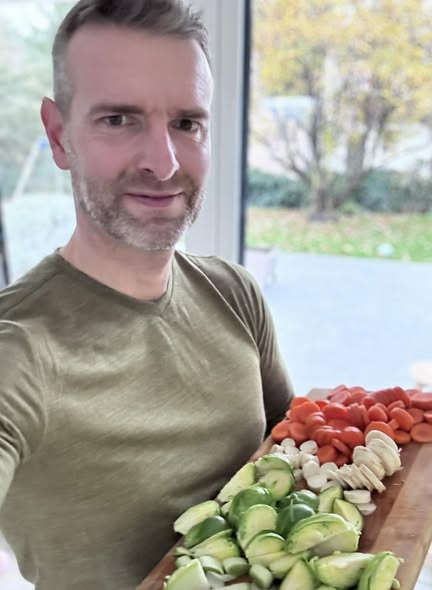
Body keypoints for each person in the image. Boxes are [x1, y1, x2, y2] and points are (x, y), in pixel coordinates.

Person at [0, 1, 294, 588]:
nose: (164, 163)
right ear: (59, 136)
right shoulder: (19, 350)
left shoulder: (235, 294)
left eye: (187, 123)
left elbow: (299, 458)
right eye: (119, 119)